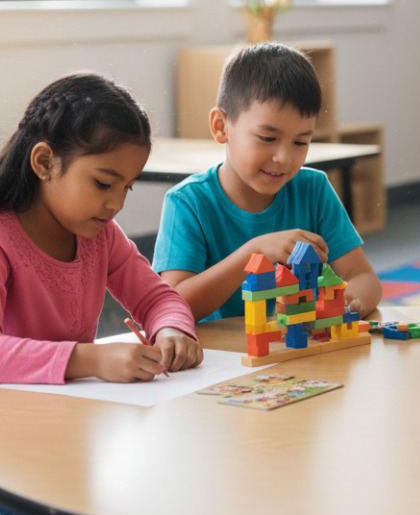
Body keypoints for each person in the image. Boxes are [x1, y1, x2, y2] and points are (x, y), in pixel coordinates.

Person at [0, 73, 202, 515]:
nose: (116, 204)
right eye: (104, 183)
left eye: (127, 187)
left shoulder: (99, 235)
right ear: (45, 162)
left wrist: (174, 327)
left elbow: (157, 297)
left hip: (64, 443)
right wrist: (90, 359)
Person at [153, 42, 381, 322]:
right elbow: (174, 306)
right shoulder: (187, 202)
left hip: (299, 352)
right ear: (221, 127)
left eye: (301, 142)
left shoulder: (314, 189)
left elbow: (364, 278)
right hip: (222, 360)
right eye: (267, 138)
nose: (284, 158)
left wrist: (341, 306)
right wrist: (255, 251)